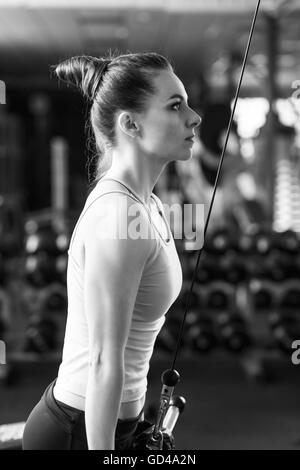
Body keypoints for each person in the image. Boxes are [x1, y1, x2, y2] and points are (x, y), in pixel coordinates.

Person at [22, 52, 201, 450]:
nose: (194, 117)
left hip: (113, 425)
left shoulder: (147, 205)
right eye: (176, 105)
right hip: (78, 432)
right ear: (130, 124)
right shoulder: (118, 215)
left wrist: (134, 429)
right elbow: (104, 360)